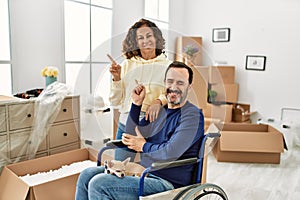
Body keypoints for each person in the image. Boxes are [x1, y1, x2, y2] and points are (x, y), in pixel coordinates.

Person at [75, 61, 205, 200]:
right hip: (143, 172)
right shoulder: (159, 112)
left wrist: (143, 146)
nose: (173, 87)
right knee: (87, 175)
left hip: (168, 183)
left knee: (99, 184)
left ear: (189, 87)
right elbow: (130, 136)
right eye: (170, 81)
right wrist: (136, 105)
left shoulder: (192, 116)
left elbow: (170, 152)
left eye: (180, 83)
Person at [109, 18, 171, 161]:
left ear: (156, 37)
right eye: (140, 38)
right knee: (119, 166)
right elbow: (115, 100)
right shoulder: (126, 65)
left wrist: (158, 101)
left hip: (154, 124)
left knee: (150, 168)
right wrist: (117, 78)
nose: (146, 41)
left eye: (149, 36)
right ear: (135, 42)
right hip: (127, 121)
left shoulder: (168, 65)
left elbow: (173, 93)